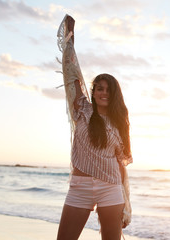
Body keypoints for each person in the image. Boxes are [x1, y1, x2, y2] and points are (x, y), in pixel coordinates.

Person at [56, 73, 133, 240]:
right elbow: (72, 74)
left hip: (110, 188)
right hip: (80, 187)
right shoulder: (83, 109)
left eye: (108, 90)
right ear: (94, 91)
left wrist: (126, 200)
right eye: (100, 89)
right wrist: (69, 47)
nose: (104, 93)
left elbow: (121, 162)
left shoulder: (119, 123)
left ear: (115, 95)